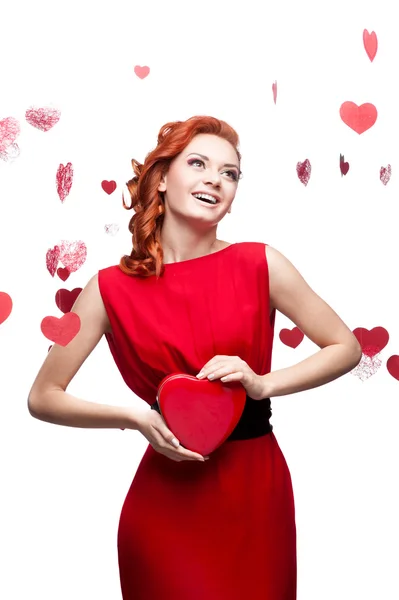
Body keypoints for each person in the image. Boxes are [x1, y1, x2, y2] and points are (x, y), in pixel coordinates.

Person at [28, 115, 362, 599]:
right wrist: (134, 417)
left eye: (230, 173)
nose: (216, 179)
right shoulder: (107, 288)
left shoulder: (260, 262)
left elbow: (346, 346)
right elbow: (42, 397)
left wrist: (265, 383)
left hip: (254, 494)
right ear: (162, 178)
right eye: (199, 163)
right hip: (164, 507)